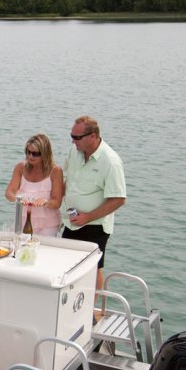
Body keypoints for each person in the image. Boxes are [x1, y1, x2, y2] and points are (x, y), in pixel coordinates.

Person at [61, 115, 126, 295]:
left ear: (93, 136)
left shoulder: (111, 161)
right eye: (71, 136)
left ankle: (92, 309)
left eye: (77, 137)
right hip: (71, 220)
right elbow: (67, 178)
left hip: (95, 225)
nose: (73, 141)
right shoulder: (74, 151)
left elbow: (119, 199)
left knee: (93, 269)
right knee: (67, 265)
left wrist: (88, 217)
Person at [5, 133, 64, 237]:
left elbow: (57, 202)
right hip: (22, 219)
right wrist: (18, 200)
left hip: (48, 224)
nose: (30, 156)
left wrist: (45, 202)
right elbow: (9, 192)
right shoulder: (20, 167)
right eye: (28, 152)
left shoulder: (56, 171)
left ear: (45, 153)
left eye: (35, 153)